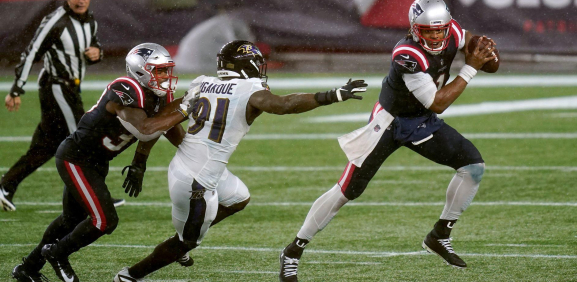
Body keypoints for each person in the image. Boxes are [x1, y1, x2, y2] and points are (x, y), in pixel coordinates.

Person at [112, 40, 367, 282]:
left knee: (238, 198)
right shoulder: (249, 90)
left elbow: (163, 121)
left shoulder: (203, 83)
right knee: (186, 243)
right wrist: (331, 95)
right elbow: (284, 105)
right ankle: (130, 275)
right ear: (247, 65)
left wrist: (140, 160)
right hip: (195, 181)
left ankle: (186, 233)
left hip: (193, 166)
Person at [278, 0, 497, 280]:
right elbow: (437, 103)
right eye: (428, 32)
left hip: (420, 121)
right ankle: (293, 251)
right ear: (414, 29)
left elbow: (468, 39)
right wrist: (470, 68)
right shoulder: (406, 54)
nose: (435, 36)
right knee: (347, 191)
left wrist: (485, 48)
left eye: (439, 30)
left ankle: (439, 234)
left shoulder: (451, 30)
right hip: (389, 123)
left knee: (473, 167)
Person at [11, 43, 197, 282]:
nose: (165, 76)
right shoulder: (126, 88)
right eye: (159, 71)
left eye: (166, 70)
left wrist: (142, 162)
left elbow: (164, 126)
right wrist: (186, 107)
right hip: (76, 158)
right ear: (141, 70)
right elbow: (145, 128)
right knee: (104, 220)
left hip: (97, 162)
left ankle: (28, 268)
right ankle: (57, 254)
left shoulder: (159, 96)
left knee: (70, 219)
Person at [0, 0, 125, 212]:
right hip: (56, 88)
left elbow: (92, 49)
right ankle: (93, 196)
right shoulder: (55, 21)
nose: (80, 1)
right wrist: (16, 89)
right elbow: (31, 52)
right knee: (84, 139)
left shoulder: (90, 20)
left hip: (71, 89)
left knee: (45, 146)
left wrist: (97, 53)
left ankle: (6, 186)